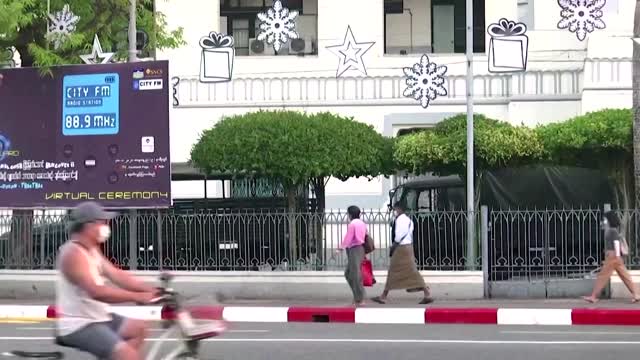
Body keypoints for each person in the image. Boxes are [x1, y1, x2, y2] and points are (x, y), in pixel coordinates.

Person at [55, 201, 159, 360]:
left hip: (99, 317)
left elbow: (116, 275)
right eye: (103, 222)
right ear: (88, 225)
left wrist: (149, 290)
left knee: (139, 329)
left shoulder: (92, 249)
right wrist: (137, 297)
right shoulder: (73, 254)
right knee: (129, 356)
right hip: (80, 324)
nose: (107, 225)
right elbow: (96, 292)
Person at [372, 202, 433, 305]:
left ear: (399, 209)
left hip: (401, 248)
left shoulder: (400, 220)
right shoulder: (408, 220)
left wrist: (393, 246)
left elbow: (400, 235)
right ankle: (384, 295)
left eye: (395, 209)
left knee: (395, 271)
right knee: (410, 271)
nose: (394, 212)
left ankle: (383, 296)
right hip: (408, 247)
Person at [583, 210, 640, 304]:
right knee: (624, 276)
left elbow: (616, 243)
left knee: (602, 276)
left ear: (609, 220)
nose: (603, 221)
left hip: (613, 257)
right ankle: (636, 294)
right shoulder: (611, 230)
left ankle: (593, 297)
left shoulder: (612, 231)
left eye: (605, 219)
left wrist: (617, 255)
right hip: (614, 257)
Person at [335, 205, 368, 306]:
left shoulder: (352, 224)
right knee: (350, 273)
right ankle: (357, 296)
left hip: (354, 249)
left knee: (354, 274)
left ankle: (360, 298)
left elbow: (348, 238)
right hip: (360, 249)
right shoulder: (362, 223)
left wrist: (340, 248)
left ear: (350, 214)